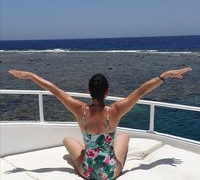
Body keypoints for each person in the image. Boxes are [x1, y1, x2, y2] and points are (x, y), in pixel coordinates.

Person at [8, 67, 192, 179]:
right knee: (125, 136)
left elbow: (55, 91)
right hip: (110, 173)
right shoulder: (115, 110)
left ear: (89, 91)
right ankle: (95, 152)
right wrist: (164, 75)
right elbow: (141, 91)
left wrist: (31, 76)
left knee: (66, 140)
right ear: (107, 92)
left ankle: (87, 151)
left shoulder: (80, 110)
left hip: (87, 172)